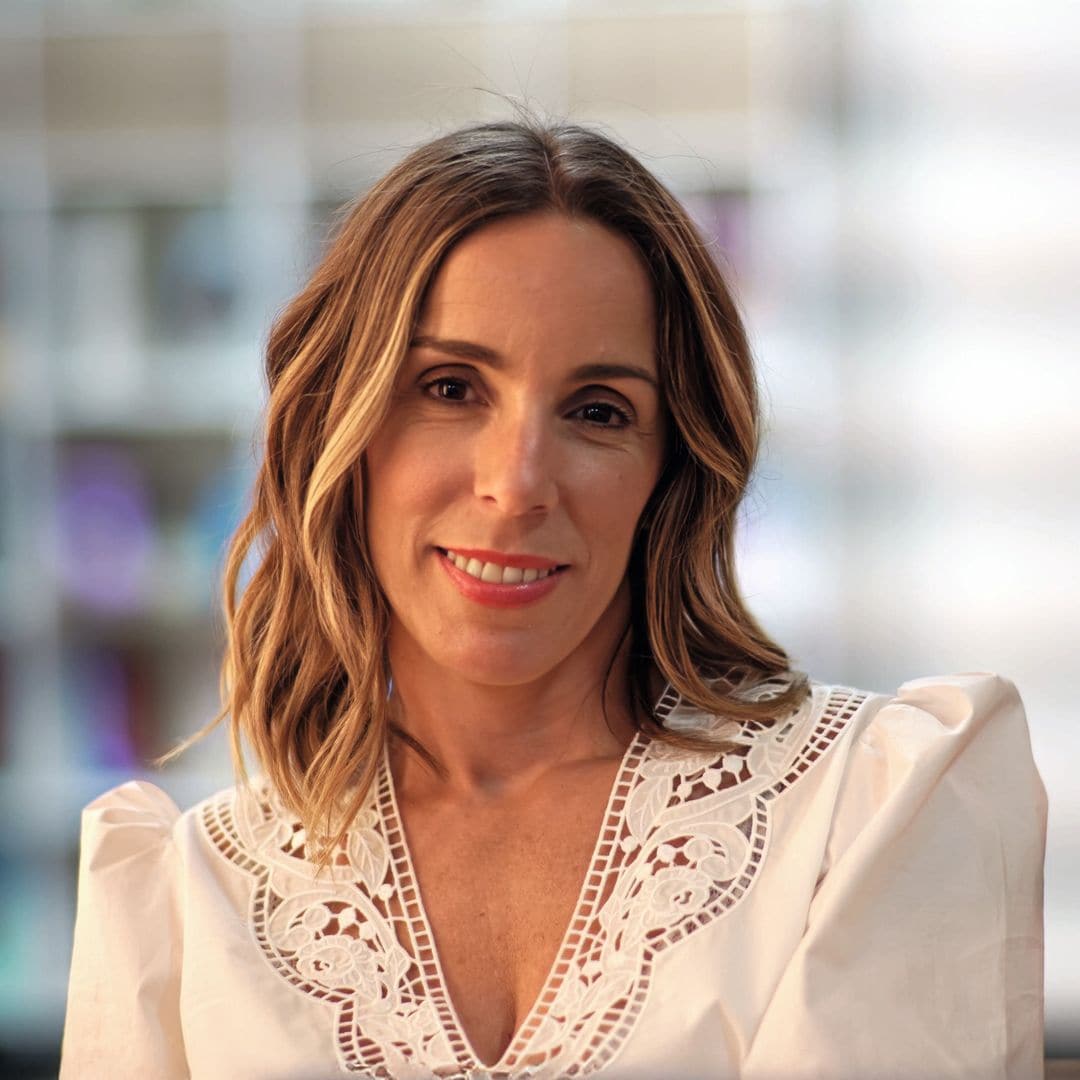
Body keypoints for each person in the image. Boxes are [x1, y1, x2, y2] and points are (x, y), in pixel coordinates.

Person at [59, 116, 1047, 1080]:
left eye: (598, 412)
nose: (518, 482)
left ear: (671, 468)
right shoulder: (187, 899)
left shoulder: (872, 810)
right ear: (337, 430)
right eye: (450, 388)